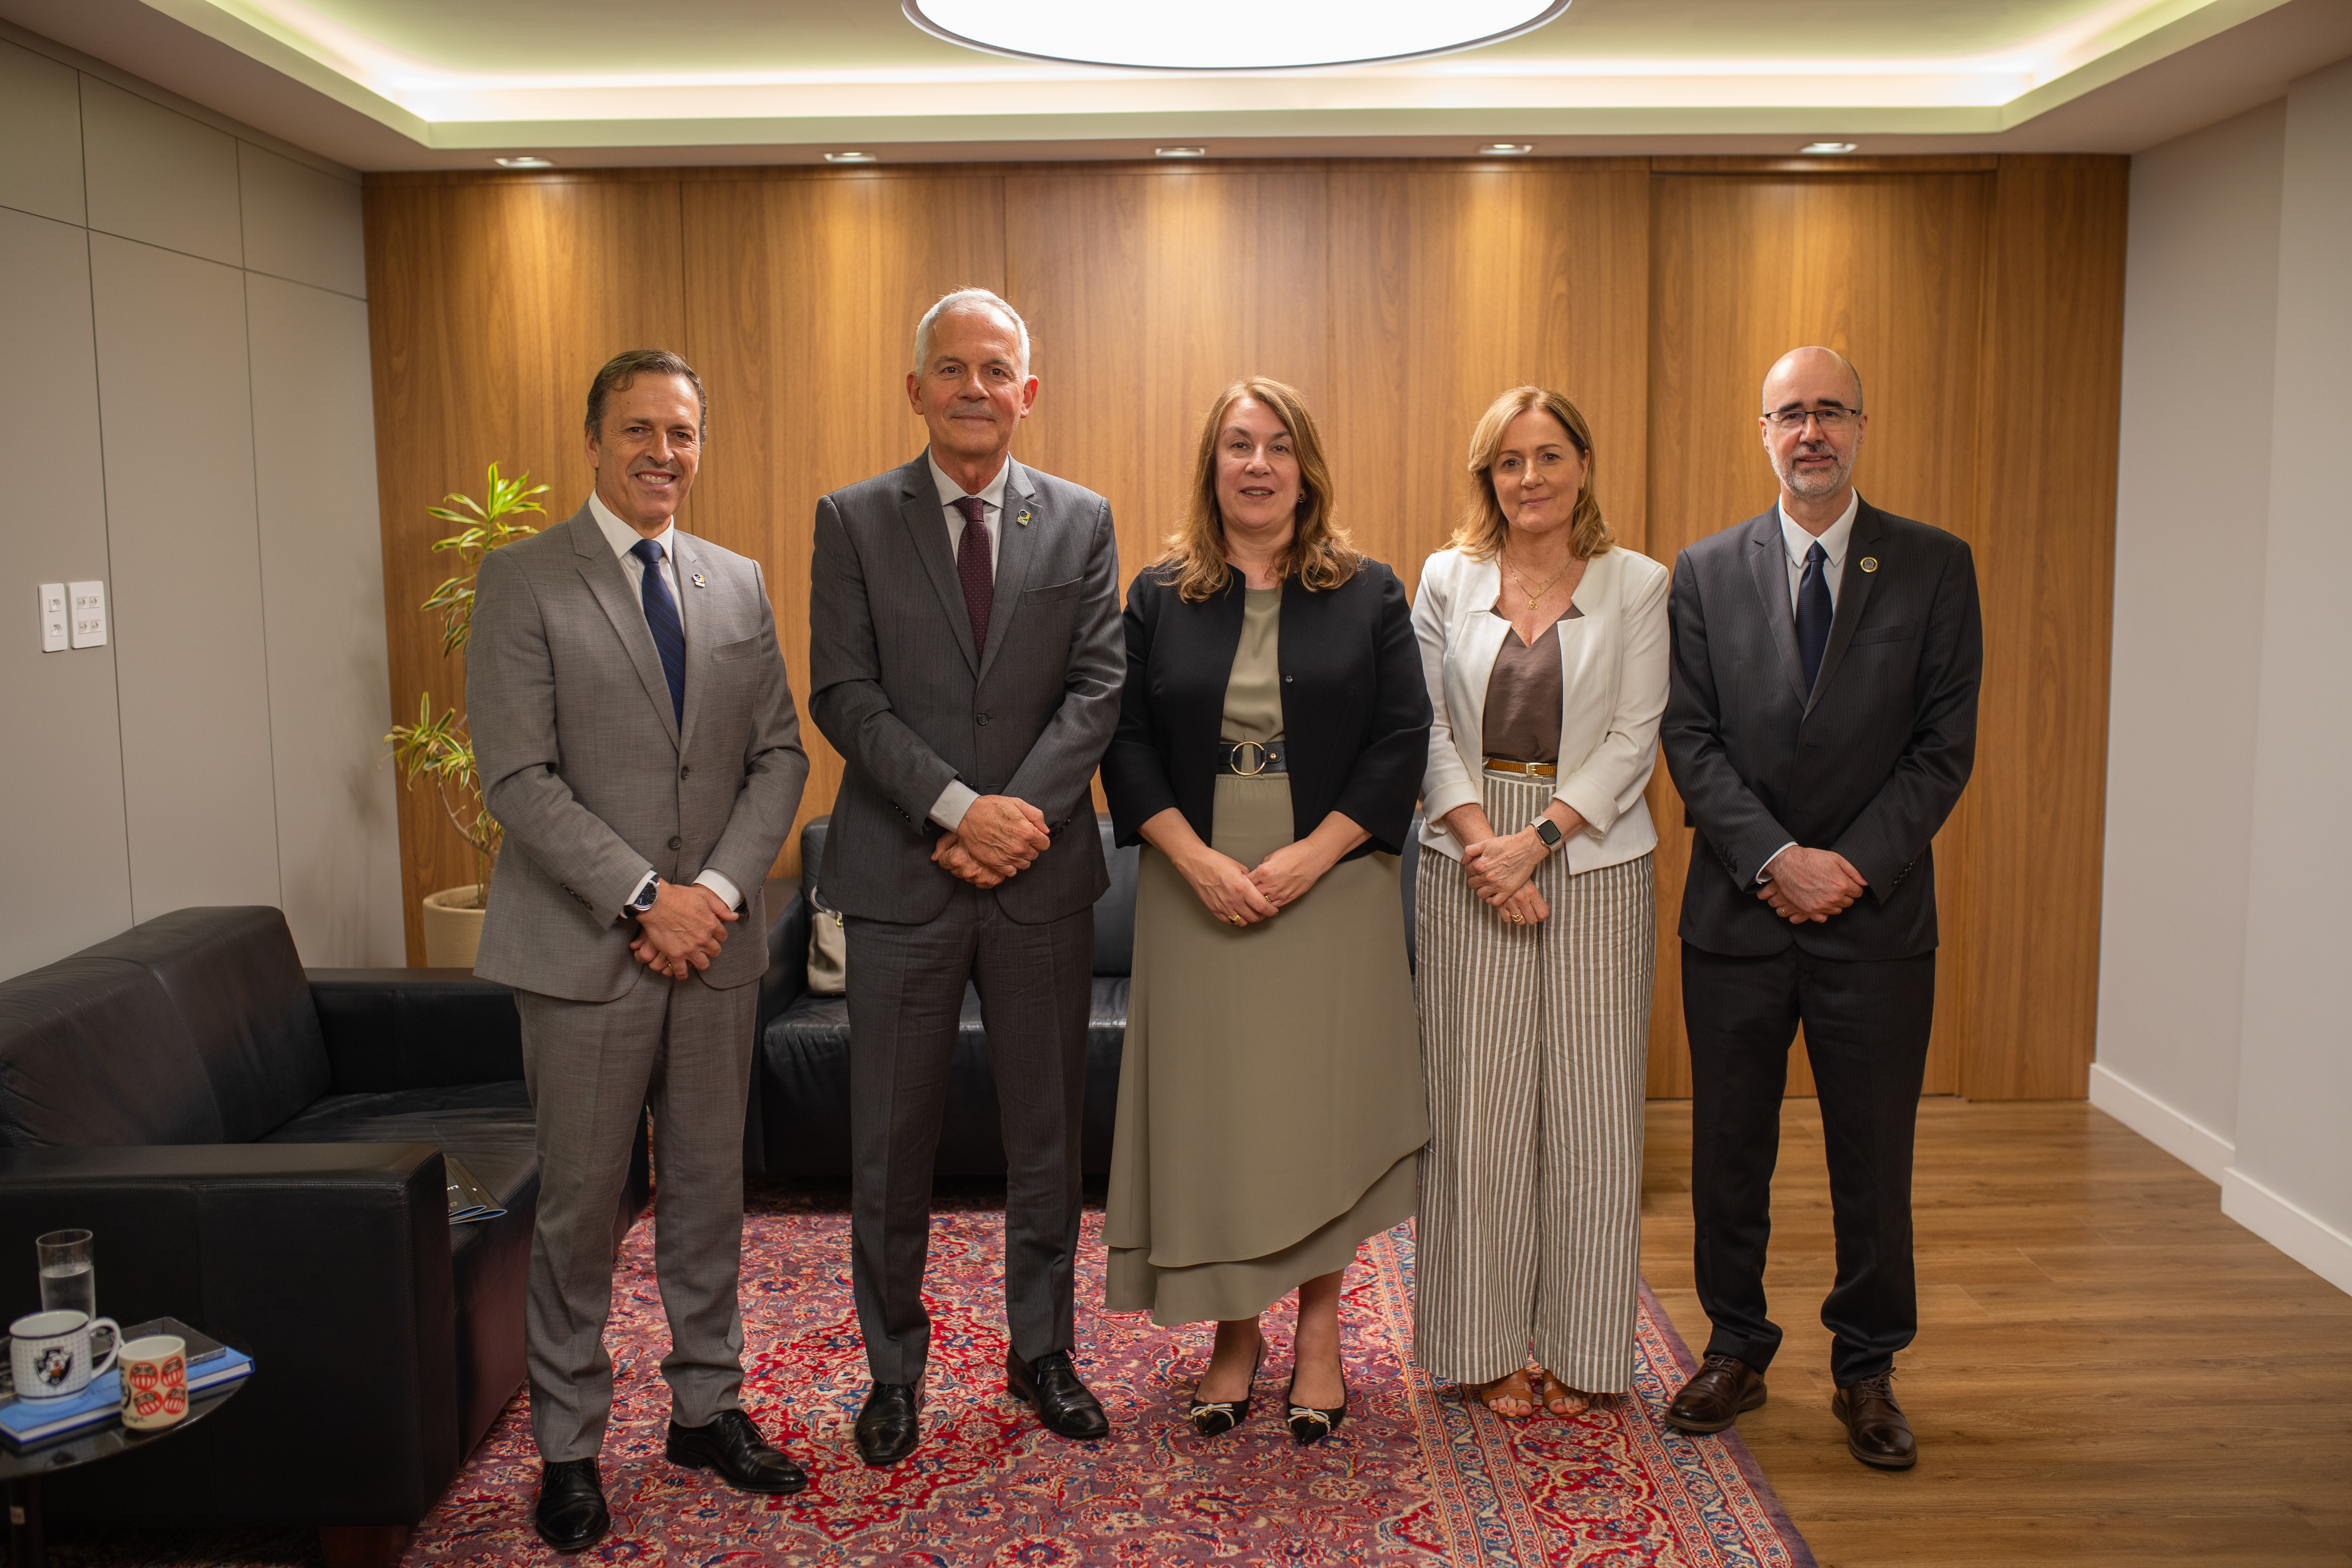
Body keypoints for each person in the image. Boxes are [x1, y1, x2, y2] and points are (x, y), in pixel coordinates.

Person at [469, 349, 811, 1550]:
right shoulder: (523, 581)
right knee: (579, 1209)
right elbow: (516, 774)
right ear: (593, 440)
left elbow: (780, 755)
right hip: (583, 954)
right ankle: (569, 1448)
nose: (663, 452)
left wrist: (711, 891)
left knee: (711, 1194)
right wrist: (643, 896)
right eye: (639, 431)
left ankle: (704, 1410)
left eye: (682, 432)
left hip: (712, 947)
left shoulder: (736, 583)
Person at [808, 288, 1124, 1468]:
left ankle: (1041, 1352)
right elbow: (843, 693)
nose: (976, 389)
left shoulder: (1082, 522)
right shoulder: (852, 520)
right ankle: (895, 1369)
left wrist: (1012, 821)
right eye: (953, 369)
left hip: (1038, 877)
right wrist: (954, 809)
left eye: (998, 371)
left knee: (1048, 1136)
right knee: (891, 1143)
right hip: (903, 870)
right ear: (916, 389)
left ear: (1028, 393)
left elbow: (1098, 689)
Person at [1658, 346, 1981, 1471]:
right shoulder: (1699, 574)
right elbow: (1688, 741)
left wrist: (1844, 866)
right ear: (1761, 431)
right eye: (1790, 415)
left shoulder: (1937, 568)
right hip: (1737, 920)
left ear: (1860, 426)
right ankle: (1736, 1348)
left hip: (1876, 922)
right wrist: (1774, 860)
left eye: (1830, 413)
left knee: (1871, 1156)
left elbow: (1944, 750)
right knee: (1728, 1150)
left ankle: (1867, 1370)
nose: (1811, 434)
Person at [1101, 377, 1431, 1445]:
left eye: (1277, 446)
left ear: (1306, 468)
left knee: (1319, 1115)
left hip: (1332, 879)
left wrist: (1314, 857)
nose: (1257, 464)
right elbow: (1126, 742)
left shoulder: (1370, 591)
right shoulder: (1158, 595)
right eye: (1238, 445)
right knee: (1223, 1120)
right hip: (1195, 877)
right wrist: (1195, 860)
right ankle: (1234, 1339)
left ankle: (1323, 1339)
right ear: (1212, 468)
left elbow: (1400, 738)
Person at [1409, 386, 1669, 1421]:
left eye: (1549, 457)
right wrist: (1486, 847)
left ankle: (1585, 1352)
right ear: (1489, 477)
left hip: (1594, 857)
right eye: (1510, 462)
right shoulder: (1446, 576)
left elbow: (1635, 736)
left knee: (1593, 1116)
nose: (1531, 479)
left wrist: (1540, 843)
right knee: (1476, 1111)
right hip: (1467, 854)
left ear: (1583, 466)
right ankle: (1478, 1349)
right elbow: (1423, 726)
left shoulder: (1637, 583)